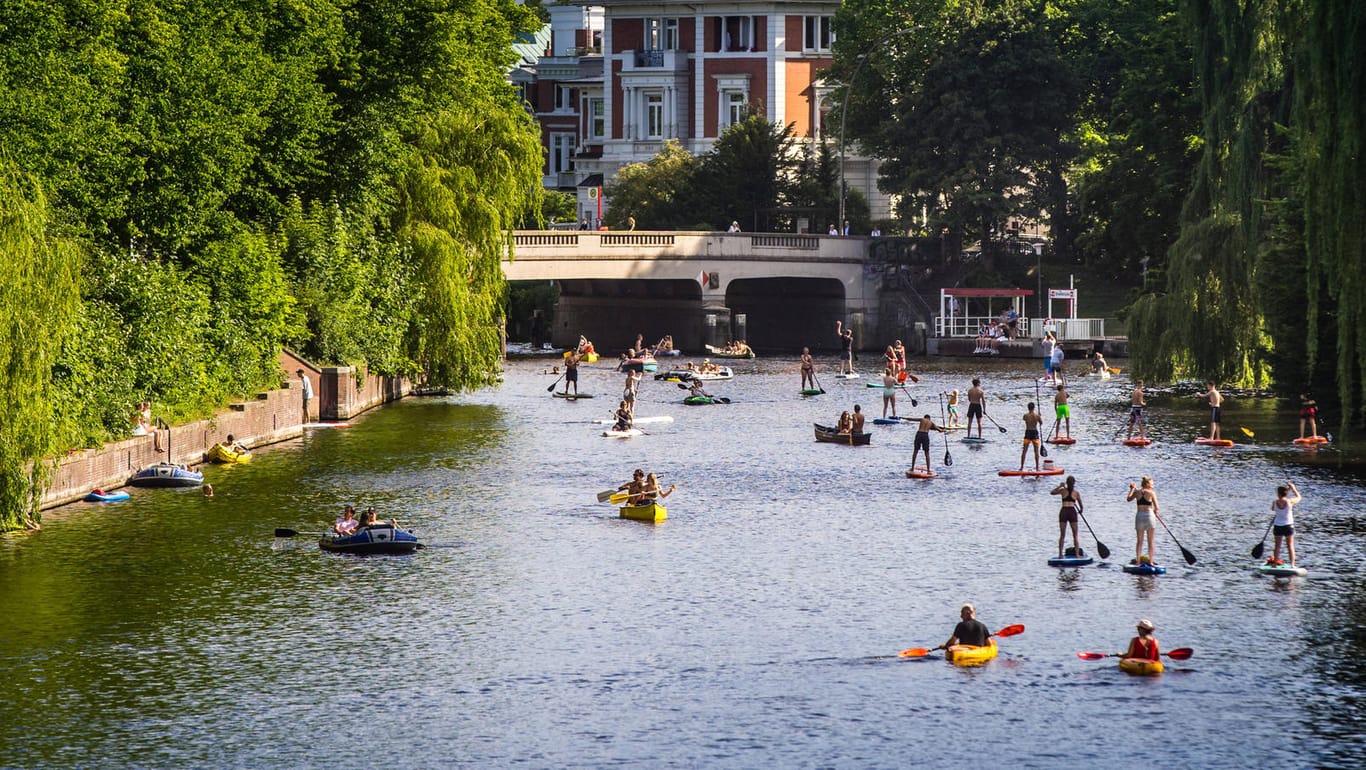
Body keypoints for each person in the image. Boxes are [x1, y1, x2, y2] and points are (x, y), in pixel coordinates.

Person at [1126, 476, 1159, 564]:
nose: (1153, 486)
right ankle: (1151, 562)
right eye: (1152, 484)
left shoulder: (1137, 492)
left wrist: (1132, 489)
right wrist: (1155, 511)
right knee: (1150, 541)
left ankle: (1138, 561)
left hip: (1139, 516)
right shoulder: (1152, 493)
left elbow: (1128, 499)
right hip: (1149, 516)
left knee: (1139, 541)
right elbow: (1157, 507)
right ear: (1147, 484)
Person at [1269, 480, 1302, 566]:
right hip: (1288, 526)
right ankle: (1292, 565)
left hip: (1278, 526)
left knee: (1277, 546)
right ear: (1286, 493)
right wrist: (1293, 488)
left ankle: (1275, 564)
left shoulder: (1274, 502)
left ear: (1278, 494)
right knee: (1290, 546)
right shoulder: (1290, 501)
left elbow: (1272, 509)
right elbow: (1299, 497)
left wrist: (1287, 491)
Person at [1050, 476, 1083, 558]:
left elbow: (1052, 492)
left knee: (1062, 535)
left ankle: (1060, 554)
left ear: (1066, 483)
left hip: (1064, 512)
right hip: (1072, 512)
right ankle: (1077, 554)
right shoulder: (1076, 493)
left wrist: (1060, 486)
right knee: (1075, 535)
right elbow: (1081, 506)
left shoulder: (1063, 491)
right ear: (1074, 483)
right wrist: (1080, 510)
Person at [1020, 402, 1044, 471]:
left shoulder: (1025, 415)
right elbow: (1041, 423)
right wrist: (1039, 416)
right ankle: (1037, 467)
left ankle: (1021, 467)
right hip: (1035, 433)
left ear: (1028, 408)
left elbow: (1024, 419)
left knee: (1024, 451)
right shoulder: (1037, 416)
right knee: (1036, 451)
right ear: (1034, 408)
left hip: (1027, 432)